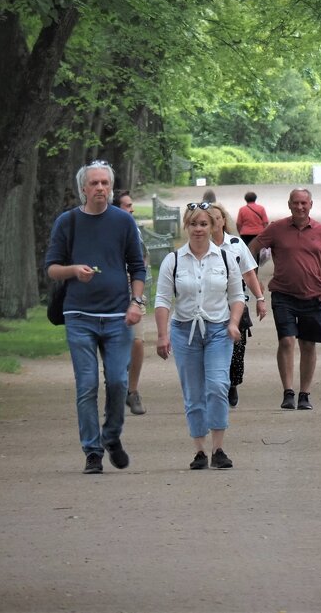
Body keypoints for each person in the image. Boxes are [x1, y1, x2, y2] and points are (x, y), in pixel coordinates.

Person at [45, 161, 147, 474]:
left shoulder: (123, 222)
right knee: (86, 385)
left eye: (105, 183)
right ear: (83, 189)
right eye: (94, 184)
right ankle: (92, 451)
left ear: (111, 188)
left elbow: (138, 267)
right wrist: (74, 270)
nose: (100, 188)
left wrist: (136, 302)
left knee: (117, 381)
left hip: (118, 315)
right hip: (79, 315)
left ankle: (112, 435)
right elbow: (51, 268)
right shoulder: (68, 222)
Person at [154, 202, 245, 469]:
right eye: (193, 224)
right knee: (193, 393)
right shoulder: (173, 260)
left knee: (217, 386)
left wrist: (234, 323)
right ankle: (199, 451)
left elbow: (237, 296)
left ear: (213, 226)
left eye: (203, 224)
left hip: (219, 330)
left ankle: (218, 448)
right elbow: (162, 299)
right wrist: (162, 335)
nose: (198, 229)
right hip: (185, 332)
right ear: (186, 226)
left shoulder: (226, 258)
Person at [249, 188, 321, 411]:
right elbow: (251, 249)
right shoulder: (276, 229)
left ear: (310, 205)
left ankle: (304, 393)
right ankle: (288, 392)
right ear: (289, 204)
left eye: (304, 203)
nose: (300, 207)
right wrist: (254, 277)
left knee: (308, 344)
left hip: (314, 296)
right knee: (286, 340)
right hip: (283, 294)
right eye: (296, 203)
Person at [206, 202, 267, 407]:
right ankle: (215, 385)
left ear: (223, 220)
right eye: (209, 218)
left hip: (236, 304)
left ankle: (232, 384)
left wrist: (259, 299)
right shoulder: (199, 246)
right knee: (210, 347)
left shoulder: (236, 244)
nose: (213, 221)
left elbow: (249, 273)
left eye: (217, 217)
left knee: (236, 349)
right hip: (208, 306)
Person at [115, 190, 147, 416]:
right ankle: (115, 393)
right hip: (108, 296)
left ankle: (132, 391)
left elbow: (142, 258)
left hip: (131, 295)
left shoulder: (133, 229)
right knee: (112, 345)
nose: (132, 209)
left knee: (137, 342)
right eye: (127, 205)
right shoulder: (105, 229)